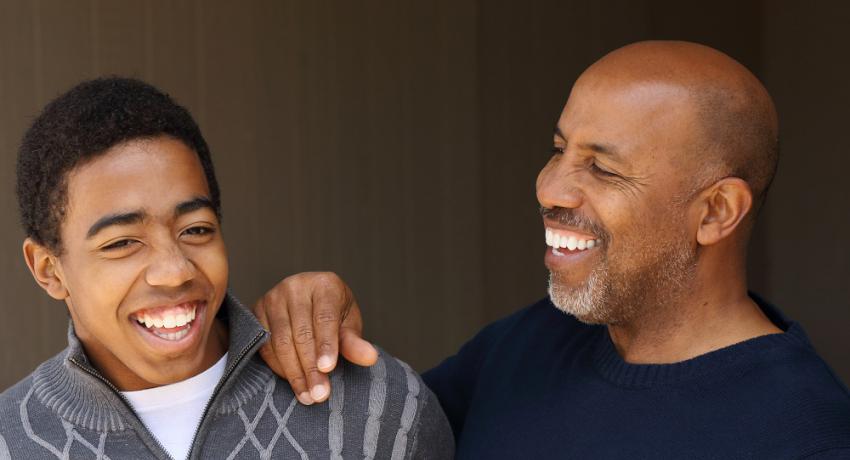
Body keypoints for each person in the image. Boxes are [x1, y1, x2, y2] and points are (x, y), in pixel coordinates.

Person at [252, 41, 850, 458]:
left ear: (716, 212)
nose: (549, 188)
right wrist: (315, 324)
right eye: (558, 148)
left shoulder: (805, 435)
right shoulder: (530, 342)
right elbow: (375, 437)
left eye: (603, 168)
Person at [0, 77, 453, 459]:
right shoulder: (11, 442)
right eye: (122, 243)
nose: (175, 271)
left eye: (195, 229)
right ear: (48, 269)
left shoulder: (375, 411)